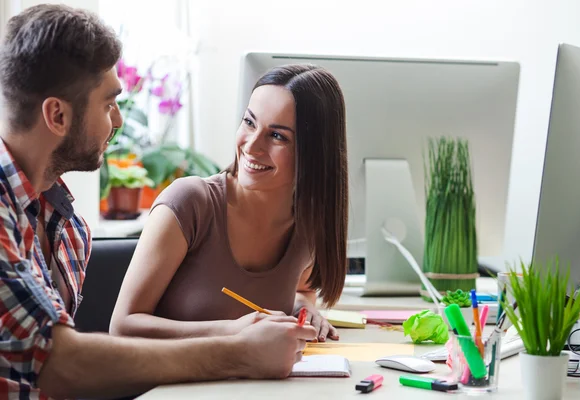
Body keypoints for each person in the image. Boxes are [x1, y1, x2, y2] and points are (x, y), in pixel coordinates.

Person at [0, 4, 317, 399]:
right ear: (58, 116)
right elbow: (62, 364)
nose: (117, 121)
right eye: (108, 103)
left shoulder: (64, 223)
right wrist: (237, 351)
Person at [110, 64, 349, 342]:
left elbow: (303, 288)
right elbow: (123, 326)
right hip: (172, 385)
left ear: (314, 154)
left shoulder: (307, 227)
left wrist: (303, 307)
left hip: (254, 384)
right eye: (249, 122)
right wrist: (235, 332)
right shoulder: (190, 204)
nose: (251, 146)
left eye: (277, 136)